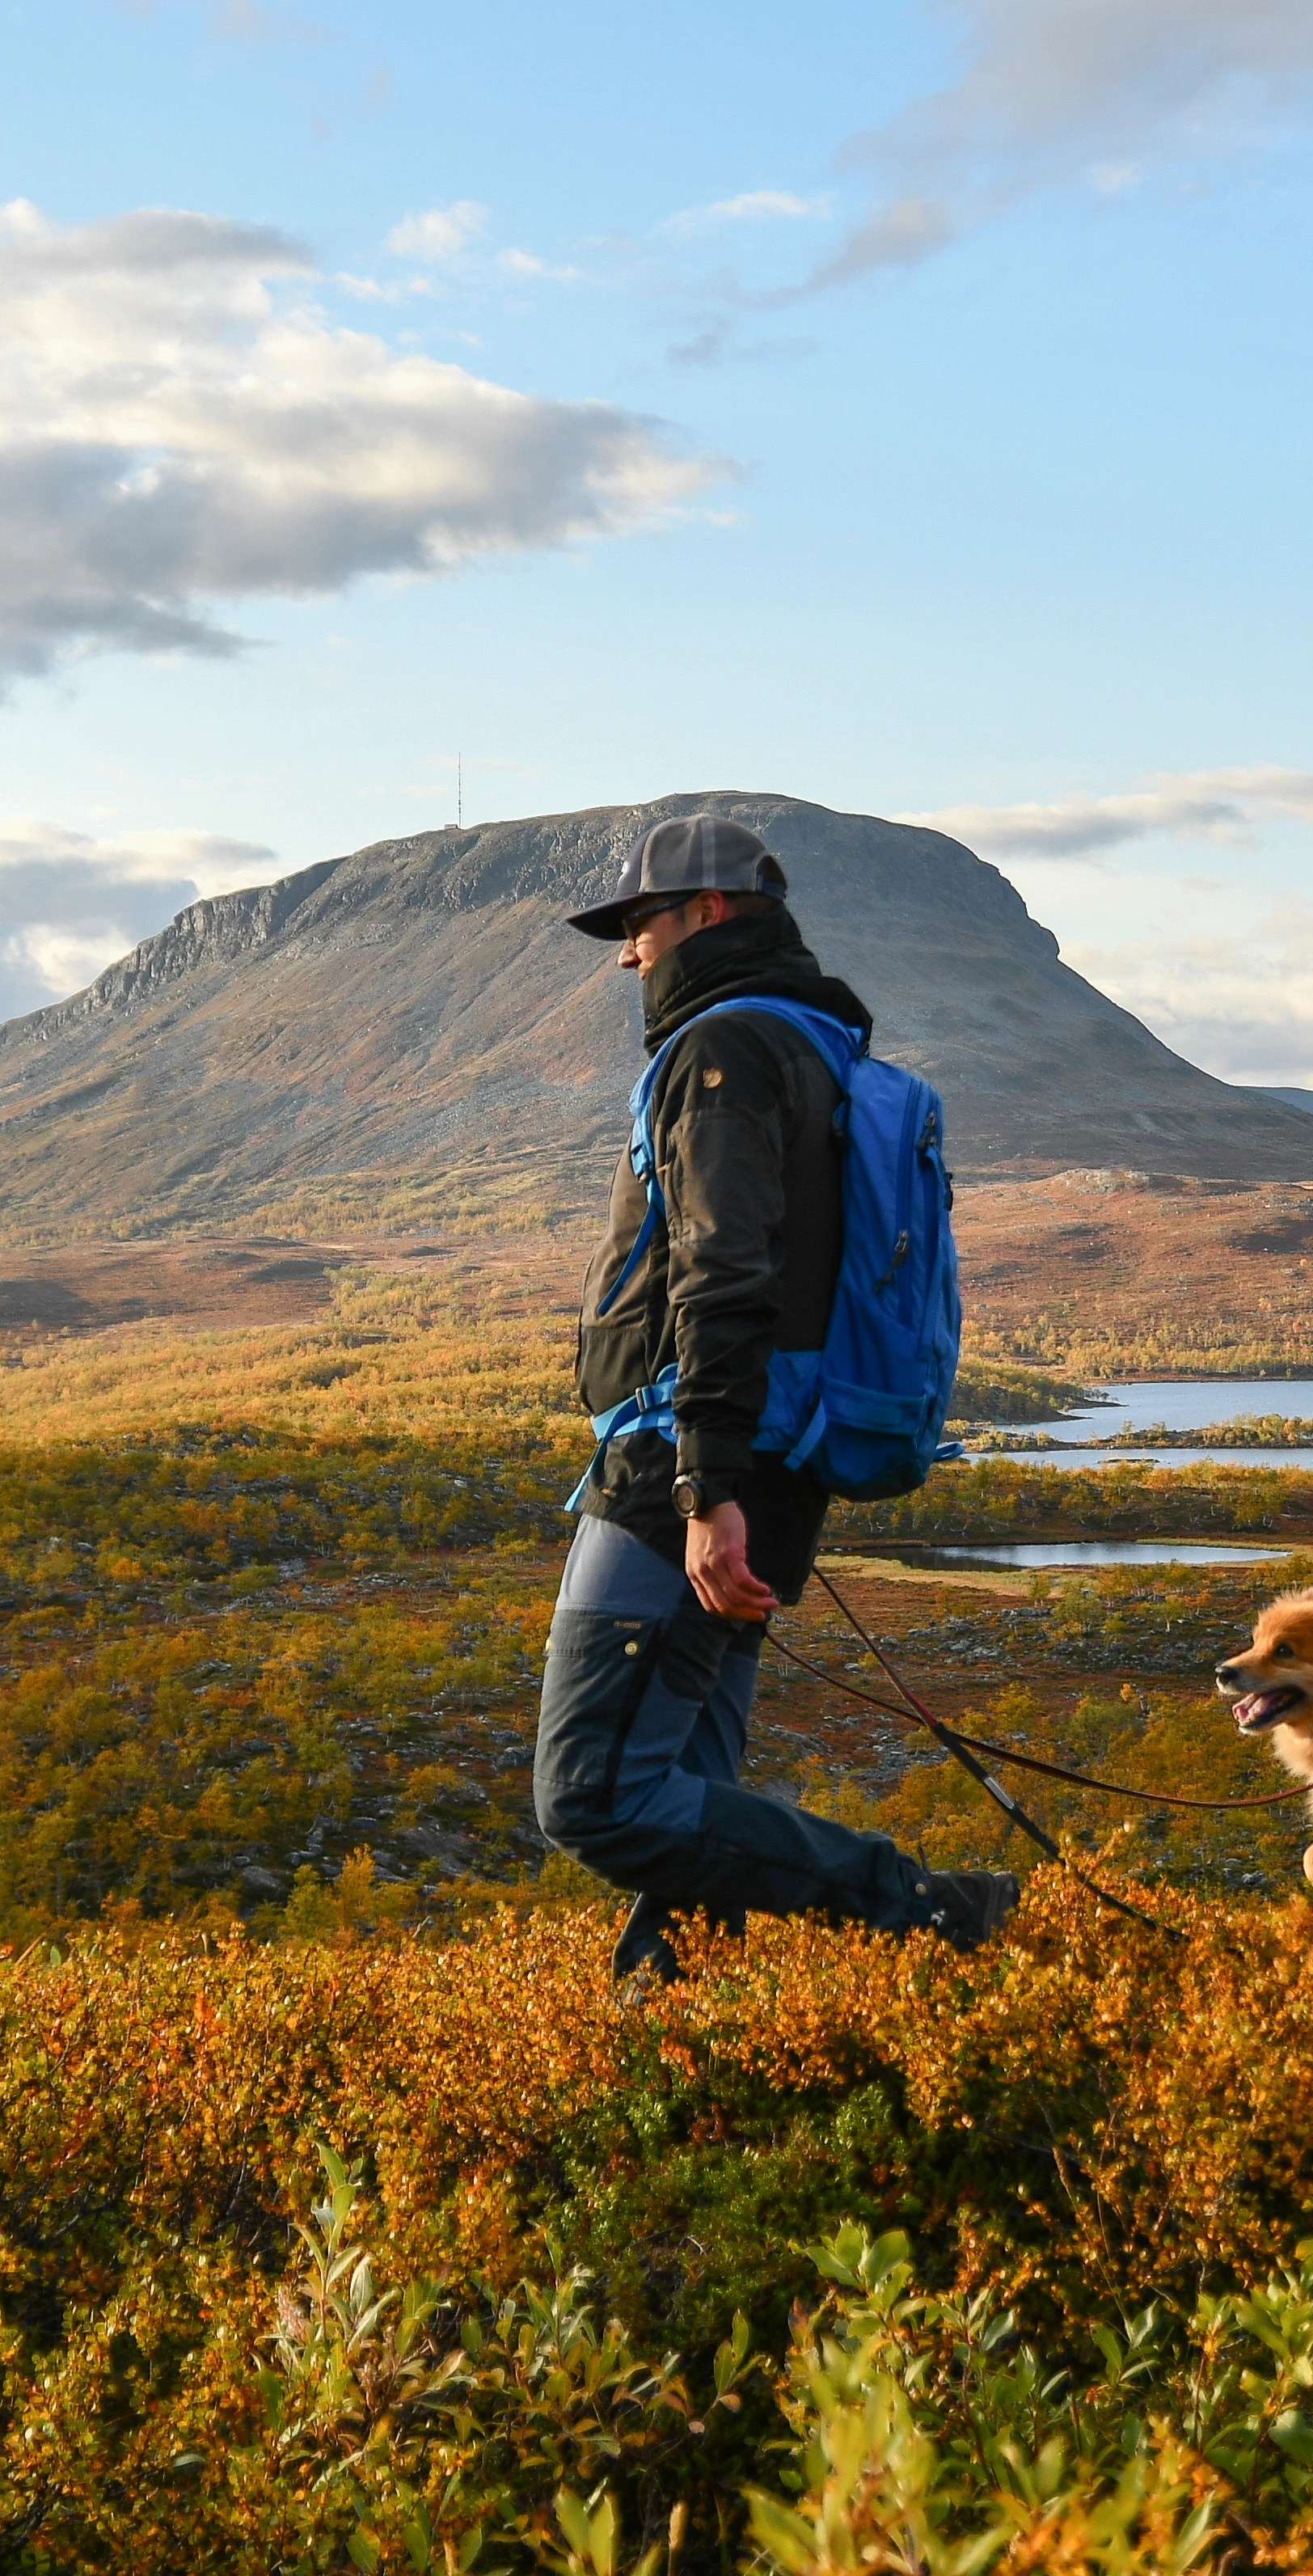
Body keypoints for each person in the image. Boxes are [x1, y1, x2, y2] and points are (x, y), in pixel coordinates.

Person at [528, 810, 1019, 1979]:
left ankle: (925, 1909)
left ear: (706, 912)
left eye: (640, 923)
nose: (626, 953)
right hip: (774, 1464)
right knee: (685, 1787)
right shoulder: (818, 1050)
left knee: (596, 1792)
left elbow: (723, 1269)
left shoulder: (728, 1050)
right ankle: (682, 2046)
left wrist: (704, 1486)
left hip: (689, 1474)